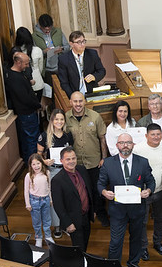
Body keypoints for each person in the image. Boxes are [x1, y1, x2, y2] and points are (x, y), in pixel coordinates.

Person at [98, 133, 155, 267]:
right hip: (117, 210)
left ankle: (133, 264)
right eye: (122, 143)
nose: (125, 145)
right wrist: (104, 192)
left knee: (136, 239)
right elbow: (100, 184)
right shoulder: (108, 163)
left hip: (137, 209)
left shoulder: (143, 162)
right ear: (117, 145)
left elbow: (151, 181)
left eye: (128, 142)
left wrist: (148, 191)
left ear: (133, 145)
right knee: (116, 241)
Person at [65, 91, 109, 226]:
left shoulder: (95, 116)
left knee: (97, 189)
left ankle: (100, 212)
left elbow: (102, 138)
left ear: (84, 101)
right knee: (81, 189)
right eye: (75, 101)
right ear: (70, 102)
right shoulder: (65, 118)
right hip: (76, 163)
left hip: (94, 161)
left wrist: (104, 158)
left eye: (80, 101)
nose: (78, 104)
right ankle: (85, 213)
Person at [133, 123, 162, 258]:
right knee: (143, 221)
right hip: (144, 192)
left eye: (158, 134)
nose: (156, 137)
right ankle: (143, 247)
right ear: (146, 136)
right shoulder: (137, 149)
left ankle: (158, 243)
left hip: (161, 189)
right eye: (152, 134)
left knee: (160, 218)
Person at [37, 109, 74, 238]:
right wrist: (44, 161)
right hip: (52, 171)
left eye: (61, 119)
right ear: (52, 120)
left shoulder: (68, 135)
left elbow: (71, 153)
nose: (59, 122)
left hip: (67, 170)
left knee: (67, 197)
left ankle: (66, 224)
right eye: (56, 119)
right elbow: (38, 155)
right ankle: (57, 226)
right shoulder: (44, 136)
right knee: (55, 198)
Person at [51, 147, 94, 250]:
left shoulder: (82, 170)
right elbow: (58, 205)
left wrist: (93, 210)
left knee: (85, 243)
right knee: (78, 248)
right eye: (68, 159)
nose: (71, 161)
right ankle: (80, 260)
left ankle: (84, 258)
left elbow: (89, 190)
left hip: (86, 216)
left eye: (73, 158)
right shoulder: (57, 180)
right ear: (61, 161)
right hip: (73, 221)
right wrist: (68, 223)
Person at [6, 51, 43, 161]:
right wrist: (37, 105)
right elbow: (25, 98)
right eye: (26, 64)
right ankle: (33, 163)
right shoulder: (14, 78)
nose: (27, 66)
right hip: (27, 114)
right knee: (31, 140)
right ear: (18, 63)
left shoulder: (17, 74)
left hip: (27, 113)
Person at [57, 31, 106, 98]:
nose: (82, 44)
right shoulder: (63, 59)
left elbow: (102, 71)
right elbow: (64, 83)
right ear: (71, 44)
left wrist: (94, 76)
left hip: (91, 93)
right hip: (74, 93)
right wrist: (73, 96)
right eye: (79, 42)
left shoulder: (92, 54)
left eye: (84, 41)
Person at [14, 26, 50, 99]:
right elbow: (41, 67)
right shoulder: (38, 50)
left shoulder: (16, 52)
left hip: (22, 83)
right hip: (38, 82)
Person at [24, 154, 52, 247]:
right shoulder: (28, 176)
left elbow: (49, 187)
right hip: (34, 201)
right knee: (36, 222)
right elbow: (26, 190)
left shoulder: (47, 173)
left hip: (46, 199)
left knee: (47, 220)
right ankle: (38, 237)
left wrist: (50, 199)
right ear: (30, 165)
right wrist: (28, 204)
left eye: (38, 163)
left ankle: (48, 236)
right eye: (33, 164)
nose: (36, 166)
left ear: (42, 163)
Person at [32, 13, 69, 81]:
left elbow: (67, 47)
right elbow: (34, 55)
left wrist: (61, 49)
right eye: (45, 29)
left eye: (50, 28)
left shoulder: (58, 31)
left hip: (60, 67)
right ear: (40, 26)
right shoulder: (35, 36)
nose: (48, 31)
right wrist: (44, 52)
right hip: (46, 70)